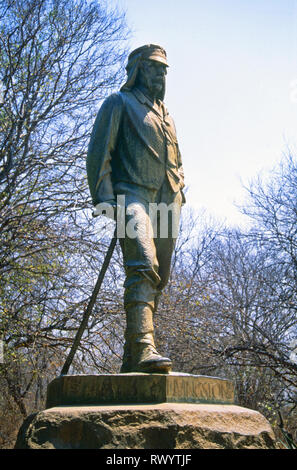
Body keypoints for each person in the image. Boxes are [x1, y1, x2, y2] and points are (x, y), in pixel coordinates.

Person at [87, 44, 185, 373]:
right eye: (156, 67)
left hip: (167, 200)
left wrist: (180, 184)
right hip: (131, 196)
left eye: (165, 69)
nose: (162, 74)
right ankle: (143, 344)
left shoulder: (167, 117)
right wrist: (105, 202)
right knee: (142, 263)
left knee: (160, 275)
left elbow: (177, 159)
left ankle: (133, 355)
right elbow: (100, 154)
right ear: (139, 69)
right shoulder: (119, 103)